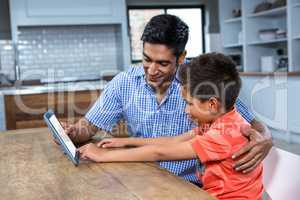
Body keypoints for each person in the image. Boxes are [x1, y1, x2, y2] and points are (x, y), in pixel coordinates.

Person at [63, 14, 272, 185]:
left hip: (192, 185)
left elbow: (251, 123)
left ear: (181, 58)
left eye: (162, 63)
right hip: (140, 177)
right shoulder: (124, 83)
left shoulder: (200, 81)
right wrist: (73, 133)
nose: (152, 70)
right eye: (146, 59)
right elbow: (89, 127)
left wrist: (266, 137)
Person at [79, 53, 264, 199]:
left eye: (190, 103)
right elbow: (173, 141)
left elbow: (161, 153)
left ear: (212, 104)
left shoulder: (222, 135)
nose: (186, 110)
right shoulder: (222, 121)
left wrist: (103, 156)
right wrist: (126, 142)